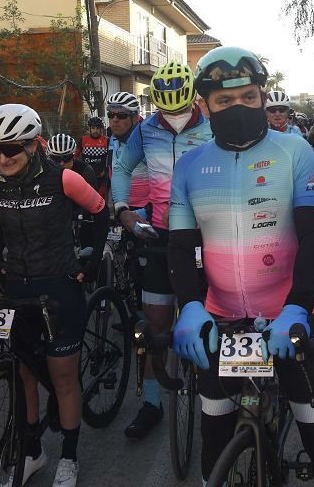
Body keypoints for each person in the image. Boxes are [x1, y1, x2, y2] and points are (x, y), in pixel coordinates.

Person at [167, 46, 314, 486]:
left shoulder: (294, 151)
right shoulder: (189, 165)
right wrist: (190, 307)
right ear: (204, 104)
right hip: (220, 320)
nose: (239, 107)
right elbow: (178, 248)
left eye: (249, 98)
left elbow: (313, 235)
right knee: (214, 452)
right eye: (225, 101)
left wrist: (299, 306)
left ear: (263, 96)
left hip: (289, 314)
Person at [0, 103, 108, 487]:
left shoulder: (65, 179)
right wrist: (2, 266)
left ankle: (69, 458)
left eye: (12, 149)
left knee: (63, 376)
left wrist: (91, 264)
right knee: (24, 375)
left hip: (59, 283)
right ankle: (33, 452)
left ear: (34, 145)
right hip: (18, 284)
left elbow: (101, 212)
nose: (2, 158)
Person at [110, 61, 212, 439]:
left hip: (207, 235)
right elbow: (122, 168)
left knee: (212, 318)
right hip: (163, 235)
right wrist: (122, 210)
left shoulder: (213, 126)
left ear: (193, 99)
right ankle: (152, 403)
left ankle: (216, 396)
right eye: (166, 111)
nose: (174, 118)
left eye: (180, 109)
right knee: (155, 326)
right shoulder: (145, 129)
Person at [105, 92, 149, 211]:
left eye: (121, 115)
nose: (114, 120)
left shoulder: (146, 140)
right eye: (111, 115)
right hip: (120, 206)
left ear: (134, 118)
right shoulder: (112, 138)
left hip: (146, 209)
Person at [76, 115, 110, 182]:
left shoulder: (107, 140)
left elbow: (111, 159)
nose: (95, 131)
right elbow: (75, 156)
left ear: (101, 129)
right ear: (89, 129)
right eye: (93, 128)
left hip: (102, 177)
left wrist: (105, 171)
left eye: (97, 128)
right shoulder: (83, 139)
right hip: (86, 176)